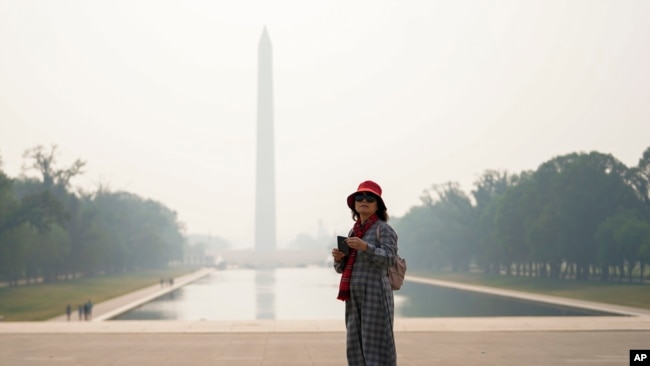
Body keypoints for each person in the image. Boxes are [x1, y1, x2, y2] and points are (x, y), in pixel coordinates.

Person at [332, 180, 399, 366]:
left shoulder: (383, 229)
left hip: (375, 292)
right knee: (355, 343)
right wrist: (339, 259)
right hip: (354, 295)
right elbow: (343, 269)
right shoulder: (354, 231)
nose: (364, 200)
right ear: (354, 205)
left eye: (370, 198)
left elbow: (389, 259)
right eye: (359, 197)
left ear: (378, 205)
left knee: (377, 342)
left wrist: (366, 247)